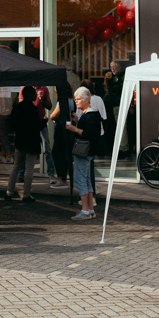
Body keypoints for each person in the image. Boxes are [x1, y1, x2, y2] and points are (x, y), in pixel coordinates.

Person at [65, 87, 102, 221]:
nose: (76, 101)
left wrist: (74, 128)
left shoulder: (90, 115)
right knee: (86, 179)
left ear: (86, 100)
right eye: (75, 99)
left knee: (80, 179)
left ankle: (85, 210)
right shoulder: (91, 114)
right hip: (88, 151)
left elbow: (90, 134)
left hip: (84, 151)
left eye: (78, 99)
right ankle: (90, 209)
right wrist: (77, 121)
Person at [5, 87, 44, 202]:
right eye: (33, 93)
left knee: (16, 166)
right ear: (29, 95)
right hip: (31, 141)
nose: (35, 95)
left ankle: (9, 192)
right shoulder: (34, 109)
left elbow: (12, 125)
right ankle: (26, 194)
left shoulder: (17, 108)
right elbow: (36, 127)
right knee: (29, 168)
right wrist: (44, 123)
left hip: (20, 140)